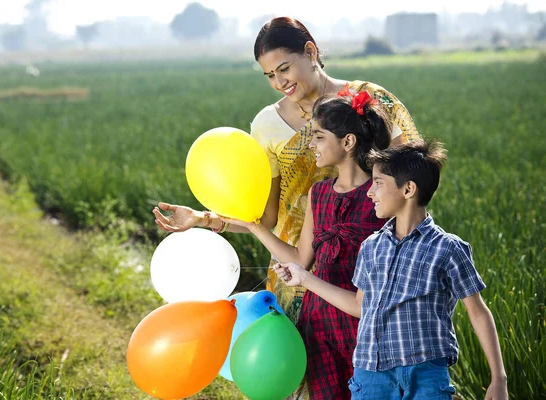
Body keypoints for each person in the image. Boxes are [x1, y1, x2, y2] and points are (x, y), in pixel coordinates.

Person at [153, 17, 418, 325]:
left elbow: (411, 177)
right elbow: (265, 218)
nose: (279, 83)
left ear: (310, 52)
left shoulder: (366, 101)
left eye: (284, 69)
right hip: (296, 270)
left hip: (372, 264)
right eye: (269, 76)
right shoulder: (267, 125)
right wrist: (206, 219)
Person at [275, 139, 508, 400]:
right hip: (370, 376)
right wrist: (304, 277)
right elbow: (359, 306)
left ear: (408, 189)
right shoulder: (371, 247)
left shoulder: (448, 249)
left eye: (378, 183)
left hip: (425, 376)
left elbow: (478, 312)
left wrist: (498, 378)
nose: (369, 192)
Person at [221, 91, 391, 399]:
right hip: (318, 326)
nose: (311, 144)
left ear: (348, 142)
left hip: (368, 328)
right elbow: (302, 258)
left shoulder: (379, 196)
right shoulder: (319, 193)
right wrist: (254, 226)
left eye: (319, 137)